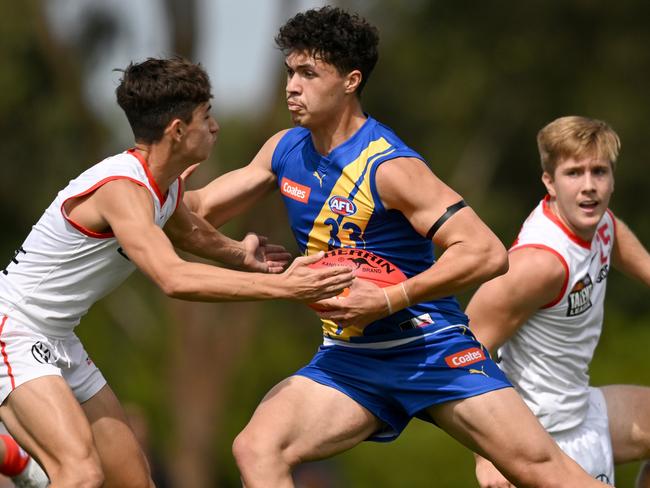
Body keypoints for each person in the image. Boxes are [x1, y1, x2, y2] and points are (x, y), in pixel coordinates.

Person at [187, 7, 608, 487]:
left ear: (350, 81)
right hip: (352, 359)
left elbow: (486, 252)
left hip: (430, 348)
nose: (291, 86)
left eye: (308, 73)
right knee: (258, 447)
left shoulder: (389, 166)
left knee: (543, 471)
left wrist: (388, 298)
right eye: (289, 72)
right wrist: (146, 181)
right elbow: (197, 210)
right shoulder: (285, 149)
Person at [0, 57, 354, 488]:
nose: (215, 127)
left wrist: (241, 255)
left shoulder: (162, 184)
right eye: (207, 117)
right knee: (80, 474)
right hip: (13, 328)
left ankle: (20, 463)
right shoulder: (122, 190)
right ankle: (21, 465)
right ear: (178, 131)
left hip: (58, 337)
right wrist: (283, 287)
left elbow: (189, 231)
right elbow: (173, 277)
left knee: (134, 481)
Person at [467, 116, 650, 487]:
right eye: (573, 173)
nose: (589, 187)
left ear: (612, 178)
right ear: (549, 182)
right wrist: (487, 456)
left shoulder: (601, 224)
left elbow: (621, 243)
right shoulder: (539, 264)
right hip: (535, 437)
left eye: (599, 172)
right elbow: (460, 347)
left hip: (581, 408)